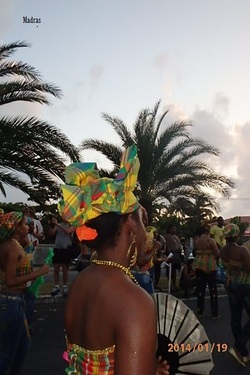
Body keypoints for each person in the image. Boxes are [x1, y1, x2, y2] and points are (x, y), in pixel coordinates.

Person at [60, 145, 169, 374]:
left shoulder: (81, 281)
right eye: (141, 219)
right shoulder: (134, 301)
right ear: (130, 222)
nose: (144, 231)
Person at [0, 211, 49, 375]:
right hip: (11, 302)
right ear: (15, 228)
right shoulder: (12, 247)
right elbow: (10, 280)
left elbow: (28, 248)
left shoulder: (12, 243)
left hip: (16, 301)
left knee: (23, 346)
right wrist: (38, 273)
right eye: (23, 224)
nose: (27, 226)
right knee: (8, 352)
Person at [220, 223, 250, 367]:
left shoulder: (223, 251)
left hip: (231, 285)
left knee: (236, 319)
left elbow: (228, 267)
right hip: (245, 285)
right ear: (237, 235)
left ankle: (243, 354)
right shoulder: (242, 250)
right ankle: (238, 346)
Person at [193, 225, 220, 319]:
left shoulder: (196, 241)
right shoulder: (210, 241)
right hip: (210, 265)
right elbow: (217, 253)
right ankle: (214, 314)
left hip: (199, 265)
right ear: (207, 232)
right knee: (213, 289)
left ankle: (200, 311)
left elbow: (195, 253)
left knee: (201, 288)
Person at [48, 215, 75, 297]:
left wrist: (57, 225)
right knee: (56, 268)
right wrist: (51, 225)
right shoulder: (58, 225)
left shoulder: (72, 225)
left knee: (65, 269)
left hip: (66, 249)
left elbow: (67, 231)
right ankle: (56, 286)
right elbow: (51, 234)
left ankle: (65, 286)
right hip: (57, 248)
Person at [165, 224, 183, 291]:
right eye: (172, 228)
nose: (174, 230)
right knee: (170, 270)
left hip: (177, 254)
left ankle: (175, 284)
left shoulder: (175, 236)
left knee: (174, 270)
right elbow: (166, 246)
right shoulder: (168, 237)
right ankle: (171, 285)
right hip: (171, 254)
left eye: (175, 228)